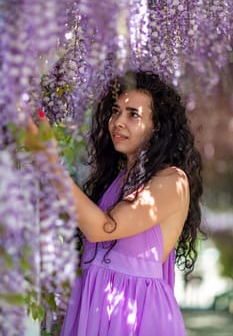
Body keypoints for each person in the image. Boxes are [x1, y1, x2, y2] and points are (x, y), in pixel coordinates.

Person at [29, 70, 203, 335]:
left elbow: (103, 228)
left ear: (157, 125)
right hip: (93, 311)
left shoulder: (172, 180)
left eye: (133, 114)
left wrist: (51, 164)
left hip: (136, 317)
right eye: (115, 111)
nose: (118, 122)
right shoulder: (116, 182)